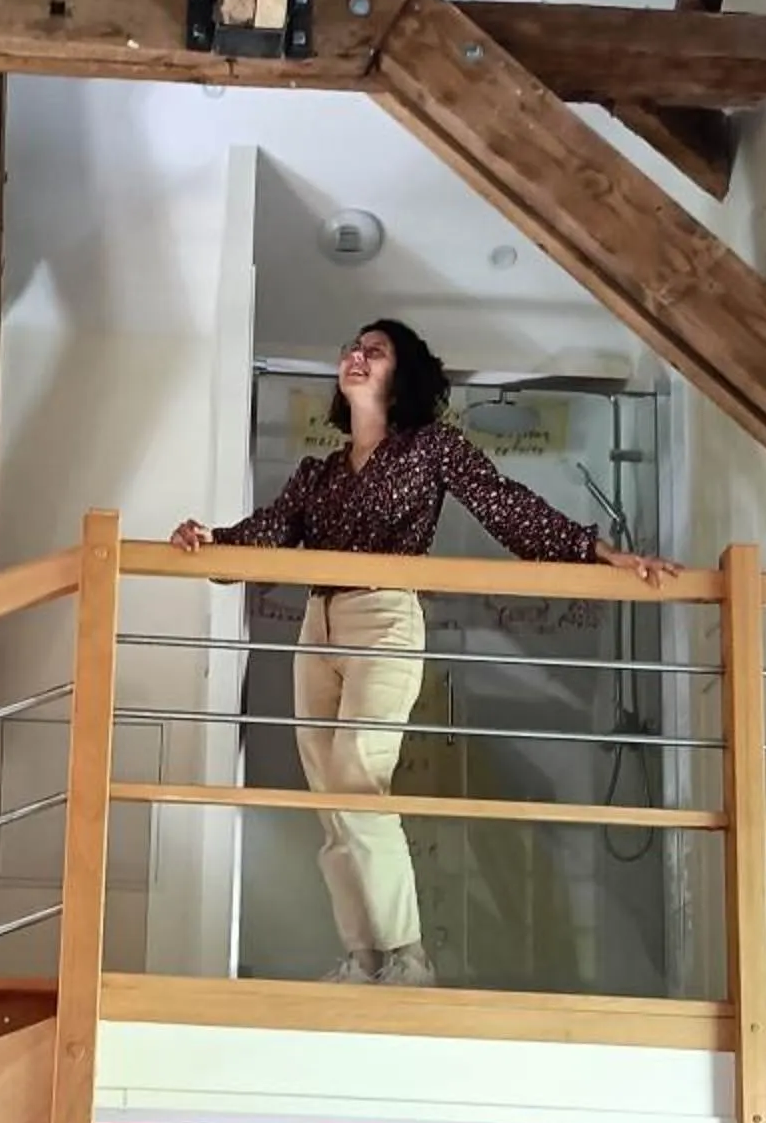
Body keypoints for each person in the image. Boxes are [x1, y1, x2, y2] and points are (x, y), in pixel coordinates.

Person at [172, 319, 676, 987]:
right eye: (351, 348)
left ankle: (409, 956)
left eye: (374, 352)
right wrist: (208, 541)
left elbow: (505, 506)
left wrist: (597, 551)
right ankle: (364, 958)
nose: (355, 357)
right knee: (331, 801)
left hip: (384, 617)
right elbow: (261, 536)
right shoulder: (318, 472)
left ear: (399, 374)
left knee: (358, 777)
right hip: (316, 627)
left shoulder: (430, 446)